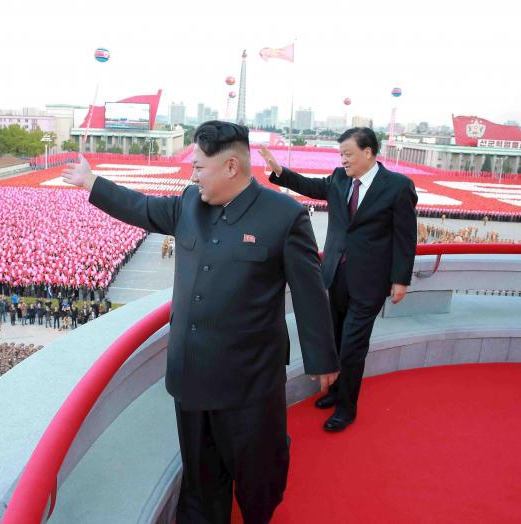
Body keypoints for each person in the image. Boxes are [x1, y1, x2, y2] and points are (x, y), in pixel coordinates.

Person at [62, 120, 339, 523]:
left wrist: (322, 358)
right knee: (201, 477)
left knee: (257, 477)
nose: (192, 175)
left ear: (231, 167)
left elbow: (311, 293)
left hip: (250, 382)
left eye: (199, 167)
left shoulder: (284, 216)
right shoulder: (190, 204)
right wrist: (91, 183)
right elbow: (141, 207)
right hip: (191, 375)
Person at [260, 127, 418, 433]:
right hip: (334, 274)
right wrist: (279, 171)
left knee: (352, 347)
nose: (342, 159)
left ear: (369, 152)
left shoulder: (398, 186)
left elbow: (405, 237)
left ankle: (347, 409)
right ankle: (333, 393)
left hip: (370, 281)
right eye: (340, 154)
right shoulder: (339, 178)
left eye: (348, 154)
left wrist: (401, 279)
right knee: (333, 339)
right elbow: (311, 186)